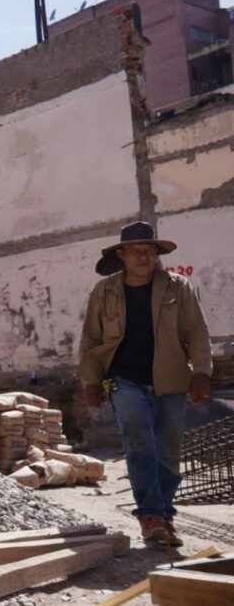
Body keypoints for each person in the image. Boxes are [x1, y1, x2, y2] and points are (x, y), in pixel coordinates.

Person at [79, 221, 212, 547]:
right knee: (138, 436)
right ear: (122, 255)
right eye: (135, 250)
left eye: (148, 250)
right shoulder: (104, 292)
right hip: (117, 380)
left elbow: (196, 331)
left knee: (168, 449)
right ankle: (150, 514)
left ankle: (163, 516)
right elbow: (90, 340)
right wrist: (92, 382)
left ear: (156, 254)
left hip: (173, 379)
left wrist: (202, 372)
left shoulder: (178, 288)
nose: (143, 256)